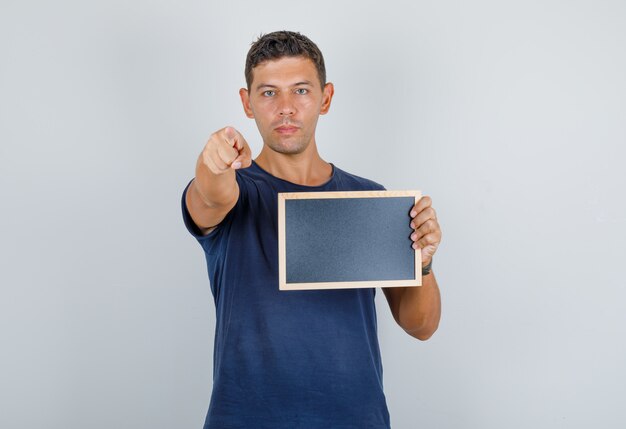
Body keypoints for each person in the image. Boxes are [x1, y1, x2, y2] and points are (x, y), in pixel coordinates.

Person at [181, 30, 442, 429]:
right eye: (268, 93)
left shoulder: (370, 199)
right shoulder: (235, 193)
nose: (285, 108)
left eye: (300, 90)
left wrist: (422, 263)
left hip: (356, 419)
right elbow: (211, 195)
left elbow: (420, 326)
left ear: (325, 97)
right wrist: (212, 161)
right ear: (246, 103)